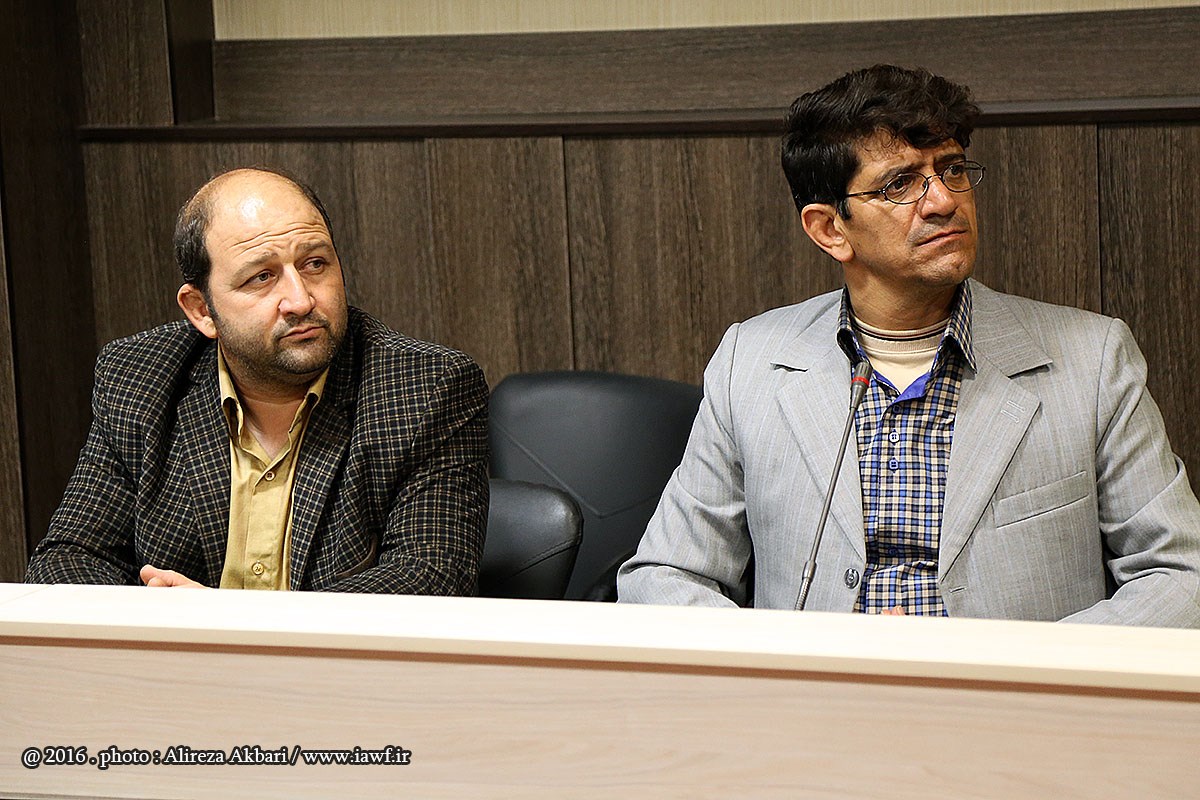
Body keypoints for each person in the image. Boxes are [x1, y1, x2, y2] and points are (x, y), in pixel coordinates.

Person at [618, 65, 1200, 625]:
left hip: (1012, 693)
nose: (944, 200)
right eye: (900, 184)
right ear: (830, 229)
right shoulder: (751, 364)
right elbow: (664, 578)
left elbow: (1182, 576)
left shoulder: (1093, 360)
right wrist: (796, 660)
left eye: (951, 169)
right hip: (816, 690)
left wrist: (1009, 667)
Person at [26, 167, 489, 593]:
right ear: (202, 311)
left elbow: (428, 576)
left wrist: (228, 624)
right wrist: (163, 623)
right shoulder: (141, 376)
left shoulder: (425, 387)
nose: (300, 300)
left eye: (315, 264)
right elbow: (68, 559)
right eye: (262, 277)